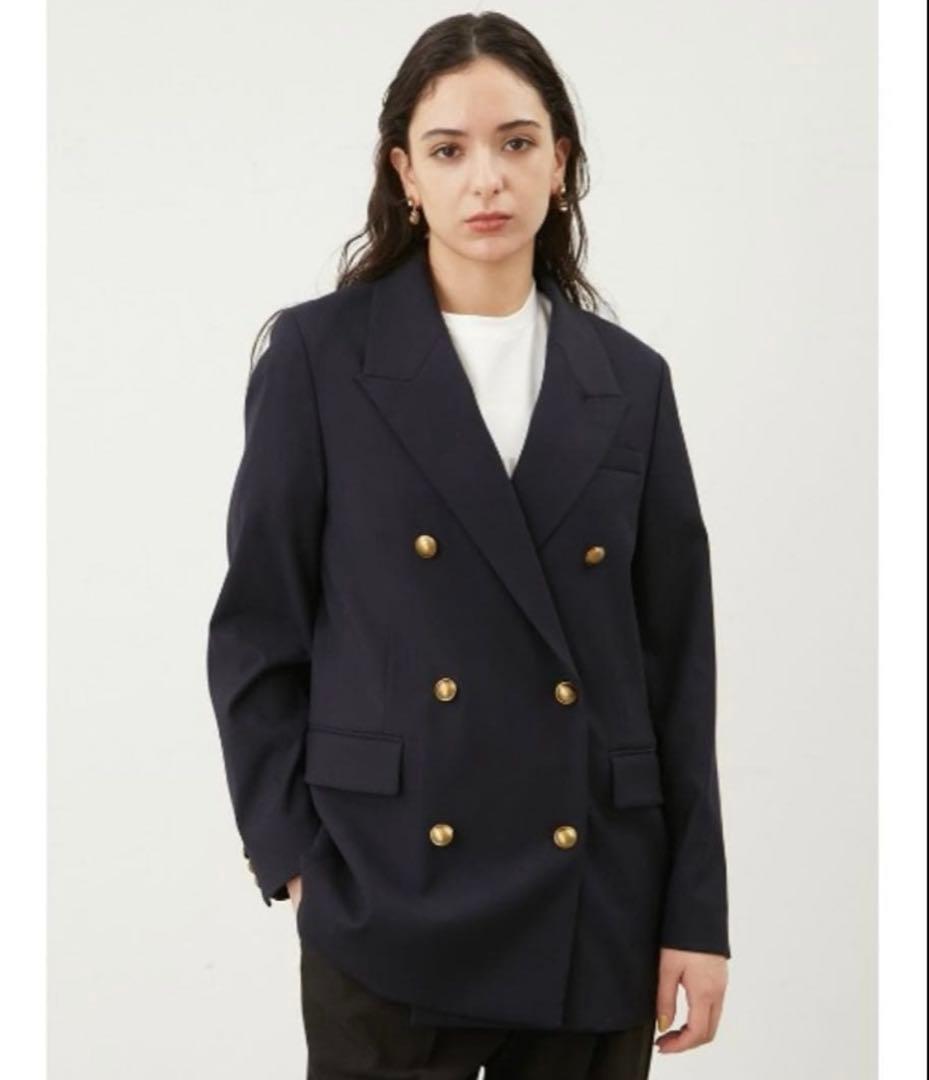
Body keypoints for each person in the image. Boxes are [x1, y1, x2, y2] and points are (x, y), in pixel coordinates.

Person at [206, 11, 730, 1079]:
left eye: (516, 142)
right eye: (448, 150)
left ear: (559, 164)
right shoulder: (318, 357)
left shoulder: (629, 382)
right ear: (405, 173)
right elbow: (258, 630)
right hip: (386, 892)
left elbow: (676, 665)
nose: (485, 178)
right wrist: (297, 858)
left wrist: (696, 913)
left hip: (593, 895)